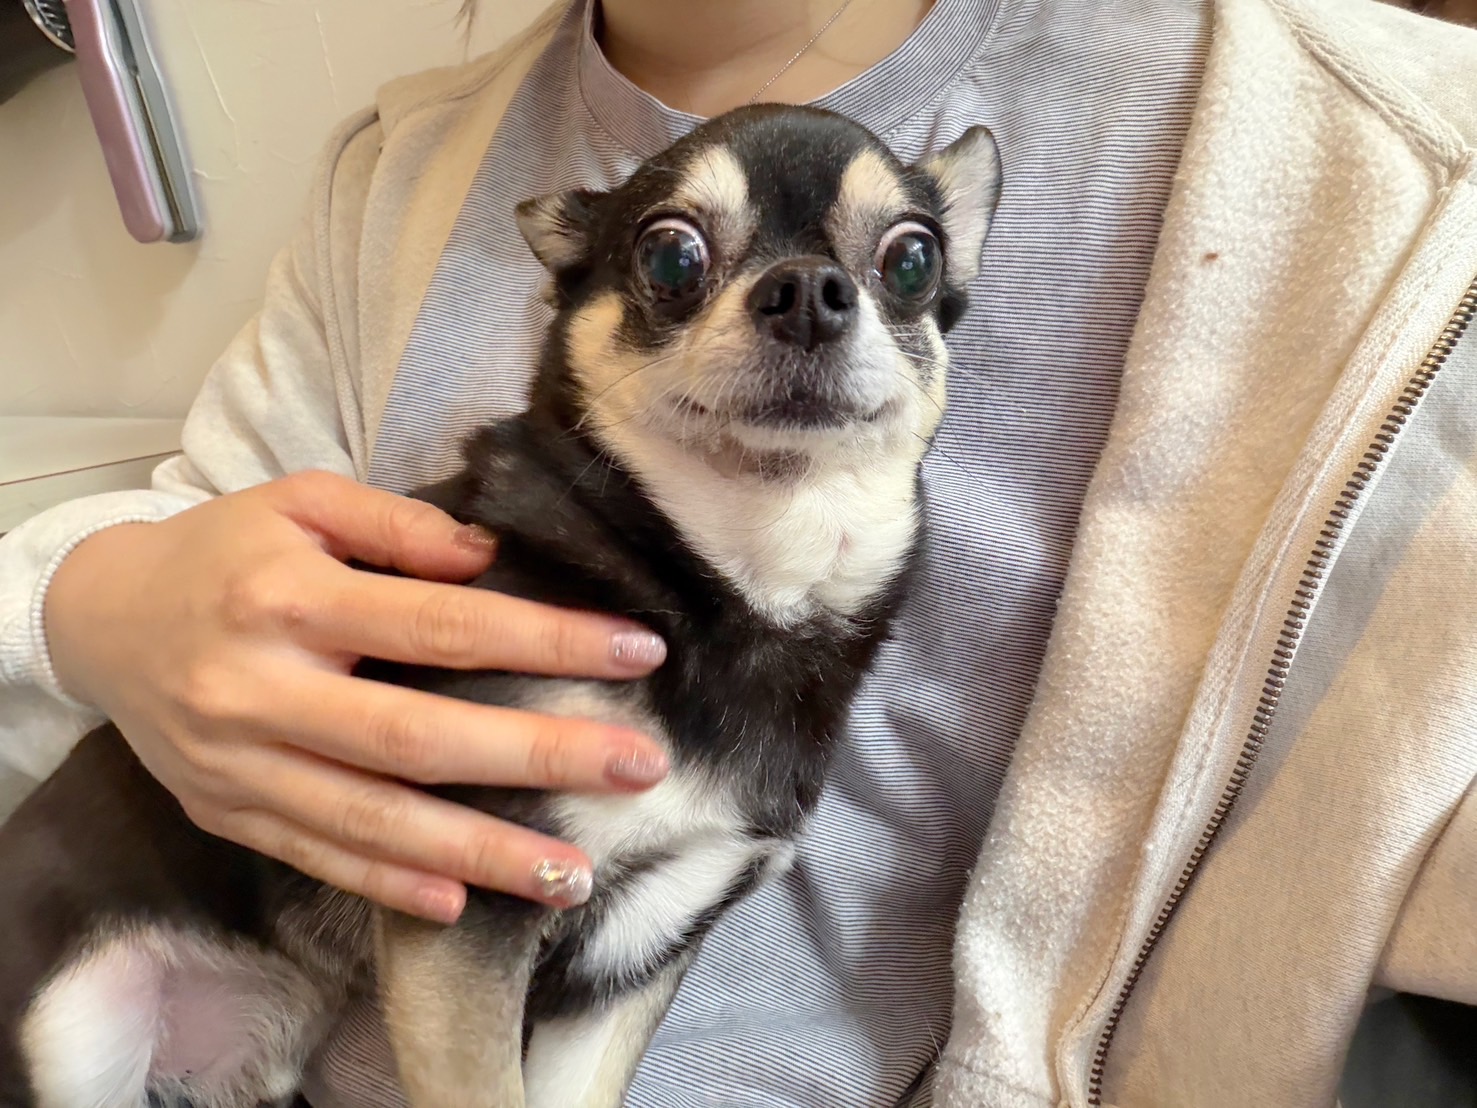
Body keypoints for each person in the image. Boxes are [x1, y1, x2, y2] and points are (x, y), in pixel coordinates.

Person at [3, 0, 1476, 1104]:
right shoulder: (392, 176)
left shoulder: (1406, 162)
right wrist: (95, 598)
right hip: (207, 982)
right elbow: (202, 526)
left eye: (895, 267)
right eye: (676, 264)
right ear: (575, 281)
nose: (806, 303)